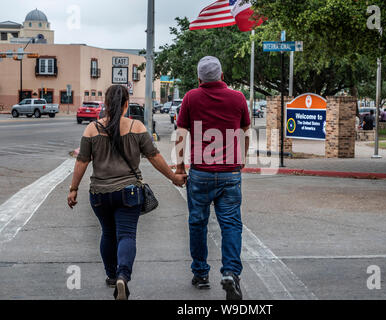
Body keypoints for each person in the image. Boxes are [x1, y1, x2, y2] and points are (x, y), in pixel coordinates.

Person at [67, 85, 187, 300]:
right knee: (126, 235)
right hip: (129, 192)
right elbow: (154, 156)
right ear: (125, 104)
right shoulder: (137, 127)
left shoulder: (92, 129)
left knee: (107, 233)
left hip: (99, 194)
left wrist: (73, 189)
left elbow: (82, 160)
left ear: (105, 103)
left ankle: (112, 276)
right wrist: (173, 177)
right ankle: (123, 275)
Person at [175, 56, 251, 300]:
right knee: (231, 224)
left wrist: (179, 167)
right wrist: (242, 158)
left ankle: (201, 274)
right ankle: (230, 273)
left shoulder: (190, 97)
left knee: (197, 223)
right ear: (222, 76)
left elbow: (180, 134)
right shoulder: (238, 98)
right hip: (230, 173)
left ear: (199, 78)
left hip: (200, 173)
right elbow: (246, 132)